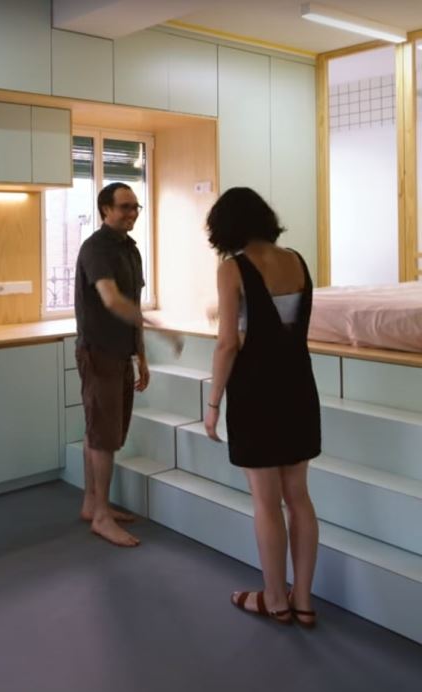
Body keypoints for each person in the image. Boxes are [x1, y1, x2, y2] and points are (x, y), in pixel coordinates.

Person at [203, 187, 321, 627]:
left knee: (266, 502)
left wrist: (213, 403)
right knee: (299, 497)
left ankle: (274, 598)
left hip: (255, 393)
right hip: (299, 388)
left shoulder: (233, 268)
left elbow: (227, 344)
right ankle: (303, 600)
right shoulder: (297, 261)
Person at [75, 182, 180, 547]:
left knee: (100, 432)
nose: (132, 213)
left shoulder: (130, 249)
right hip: (99, 352)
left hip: (120, 352)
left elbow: (130, 302)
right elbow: (111, 299)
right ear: (105, 209)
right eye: (125, 207)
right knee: (103, 437)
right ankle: (102, 516)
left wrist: (142, 355)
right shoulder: (96, 248)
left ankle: (92, 503)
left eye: (136, 207)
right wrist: (161, 328)